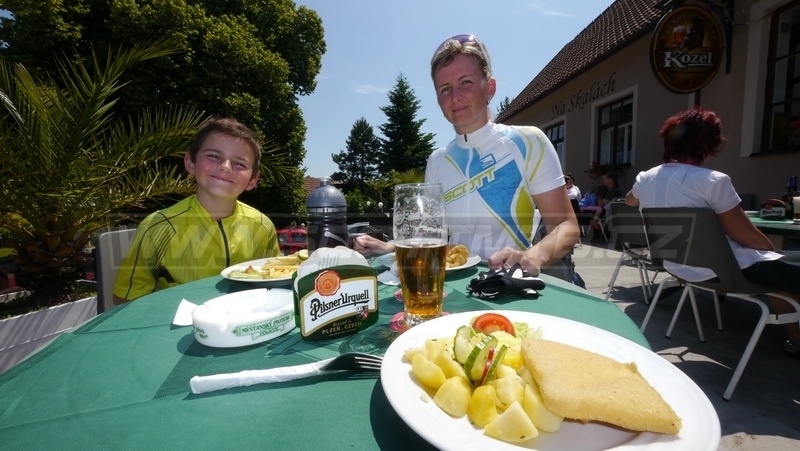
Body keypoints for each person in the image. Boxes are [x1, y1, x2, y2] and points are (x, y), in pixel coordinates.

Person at [353, 34, 579, 280]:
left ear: (490, 88)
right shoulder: (437, 161)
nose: (455, 97)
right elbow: (428, 238)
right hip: (455, 287)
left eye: (466, 82)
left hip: (511, 284)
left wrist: (533, 257)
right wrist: (389, 247)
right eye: (445, 89)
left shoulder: (527, 142)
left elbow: (566, 226)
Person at [626, 107, 800, 354]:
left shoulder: (645, 178)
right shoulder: (713, 181)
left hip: (676, 265)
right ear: (708, 144)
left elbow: (630, 200)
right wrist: (770, 252)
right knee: (786, 271)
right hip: (720, 271)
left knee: (782, 272)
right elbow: (749, 239)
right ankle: (795, 339)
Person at [113, 118, 280, 303]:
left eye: (240, 163)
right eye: (214, 156)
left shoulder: (263, 226)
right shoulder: (156, 227)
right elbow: (126, 299)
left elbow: (274, 284)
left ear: (252, 180)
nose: (225, 167)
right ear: (190, 162)